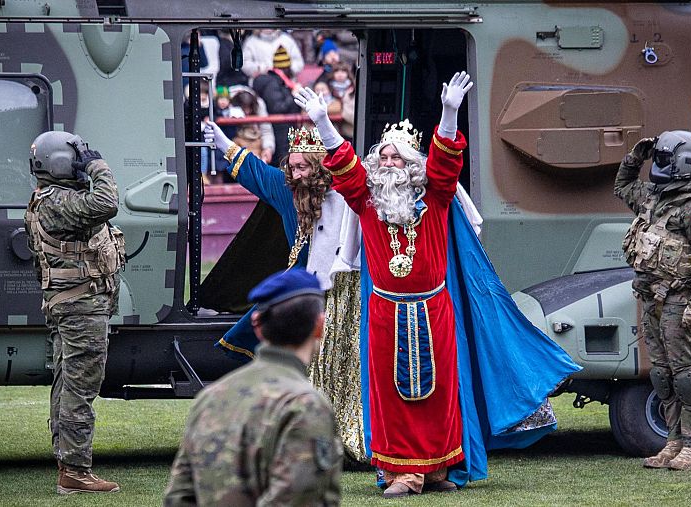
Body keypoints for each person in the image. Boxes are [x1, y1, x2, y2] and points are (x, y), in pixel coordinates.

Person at [297, 73, 581, 498]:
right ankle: (403, 473)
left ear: (413, 164)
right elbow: (344, 165)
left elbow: (446, 163)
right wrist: (322, 121)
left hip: (433, 310)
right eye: (382, 157)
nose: (387, 163)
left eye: (396, 157)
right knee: (391, 395)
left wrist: (450, 113)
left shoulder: (435, 198)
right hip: (385, 312)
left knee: (440, 392)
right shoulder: (367, 200)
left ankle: (436, 468)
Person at [203, 119, 369, 463]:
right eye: (292, 166)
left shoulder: (345, 190)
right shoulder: (288, 190)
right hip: (308, 296)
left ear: (319, 166)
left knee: (348, 363)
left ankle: (353, 436)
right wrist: (222, 143)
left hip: (347, 291)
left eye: (303, 167)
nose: (296, 174)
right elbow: (257, 173)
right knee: (309, 365)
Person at [164, 269, 343, 506]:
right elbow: (297, 498)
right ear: (319, 326)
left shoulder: (211, 397)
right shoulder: (305, 405)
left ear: (256, 325)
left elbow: (179, 495)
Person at [615, 131, 691, 471]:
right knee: (661, 375)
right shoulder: (653, 198)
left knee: (685, 375)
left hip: (679, 299)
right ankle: (673, 442)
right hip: (651, 298)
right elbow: (622, 186)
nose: (659, 164)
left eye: (664, 158)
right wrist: (635, 157)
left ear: (685, 163)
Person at [24, 131, 125, 494]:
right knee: (80, 387)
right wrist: (97, 166)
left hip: (68, 304)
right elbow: (107, 202)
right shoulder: (60, 202)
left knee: (66, 383)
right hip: (81, 308)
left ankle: (67, 460)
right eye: (76, 159)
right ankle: (76, 472)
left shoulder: (46, 199)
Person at [252, 47, 303, 164]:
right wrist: (293, 95)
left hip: (285, 131)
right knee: (283, 163)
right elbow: (277, 107)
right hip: (280, 132)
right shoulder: (272, 84)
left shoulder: (280, 82)